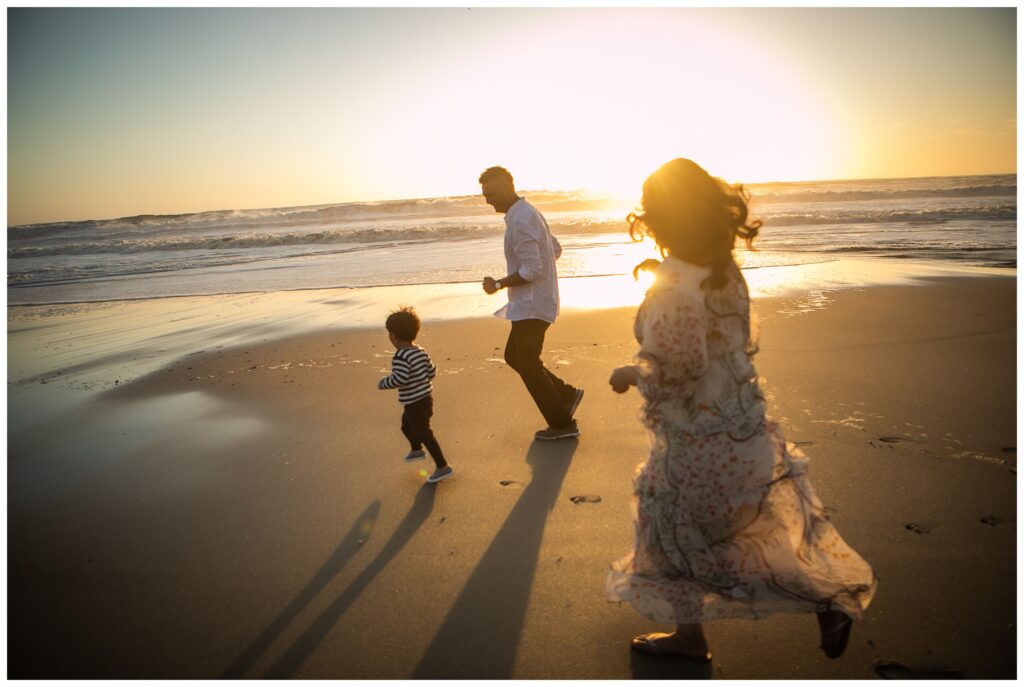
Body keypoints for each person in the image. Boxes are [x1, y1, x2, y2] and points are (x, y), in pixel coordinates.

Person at [605, 158, 876, 662]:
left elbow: (679, 369)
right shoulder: (725, 273)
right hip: (744, 433)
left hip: (698, 445)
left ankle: (817, 598)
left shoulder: (675, 280)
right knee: (735, 537)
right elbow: (728, 349)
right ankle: (800, 603)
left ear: (659, 218)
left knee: (677, 539)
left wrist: (628, 373)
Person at [479, 165, 584, 440]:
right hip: (534, 301)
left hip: (533, 305)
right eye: (484, 195)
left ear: (506, 187)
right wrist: (541, 274)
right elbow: (555, 250)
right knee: (515, 356)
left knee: (525, 361)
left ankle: (562, 424)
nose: (487, 200)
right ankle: (565, 393)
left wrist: (498, 284)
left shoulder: (520, 221)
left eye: (490, 193)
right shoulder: (528, 213)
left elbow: (531, 270)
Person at [378, 306, 453, 484]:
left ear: (393, 336)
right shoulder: (420, 350)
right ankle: (416, 449)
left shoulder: (401, 356)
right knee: (406, 427)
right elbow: (432, 371)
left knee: (425, 433)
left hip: (415, 402)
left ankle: (443, 467)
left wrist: (384, 383)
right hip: (425, 398)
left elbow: (401, 379)